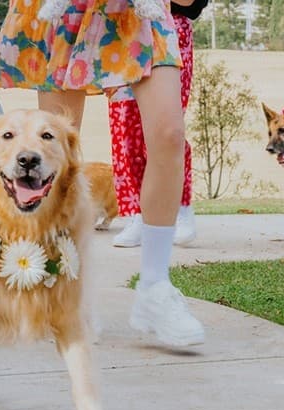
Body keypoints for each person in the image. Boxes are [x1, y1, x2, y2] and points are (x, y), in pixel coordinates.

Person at [0, 0, 204, 346]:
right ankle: (63, 288)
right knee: (56, 141)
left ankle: (155, 286)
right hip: (67, 7)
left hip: (140, 11)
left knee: (169, 133)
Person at [108, 0, 208, 249]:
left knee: (165, 132)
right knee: (125, 131)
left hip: (169, 30)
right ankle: (137, 215)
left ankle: (180, 208)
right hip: (123, 32)